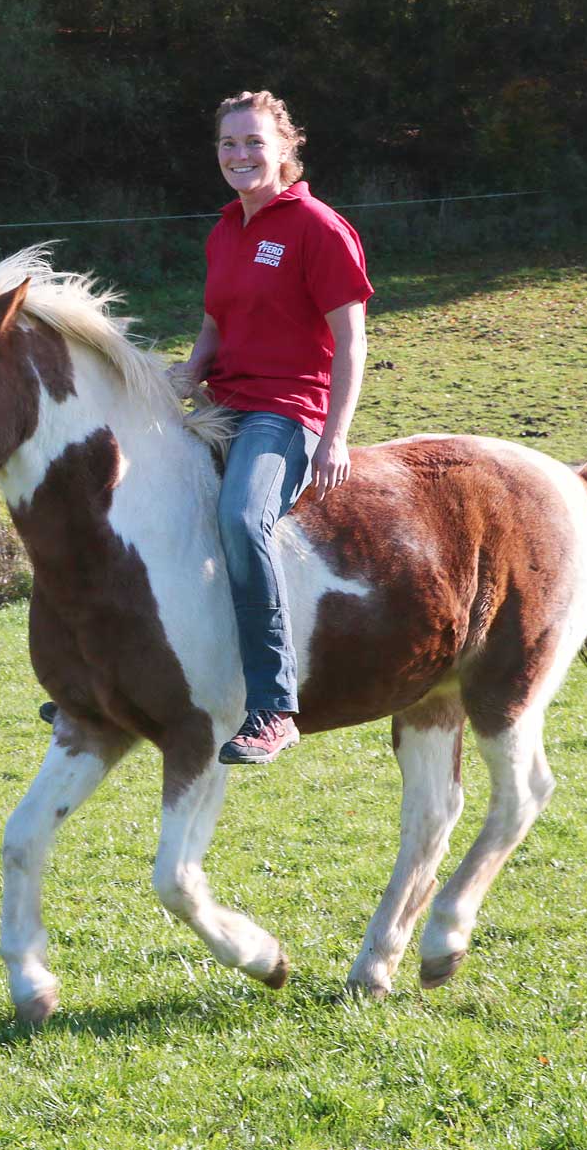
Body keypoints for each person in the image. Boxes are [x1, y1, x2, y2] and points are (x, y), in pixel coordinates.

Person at [167, 89, 374, 766]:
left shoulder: (318, 227)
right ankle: (118, 673)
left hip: (286, 413)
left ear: (286, 147)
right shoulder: (226, 229)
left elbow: (351, 340)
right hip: (223, 404)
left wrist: (336, 435)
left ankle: (273, 707)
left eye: (253, 142)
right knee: (130, 499)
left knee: (240, 517)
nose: (239, 155)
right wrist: (189, 372)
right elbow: (216, 322)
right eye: (228, 144)